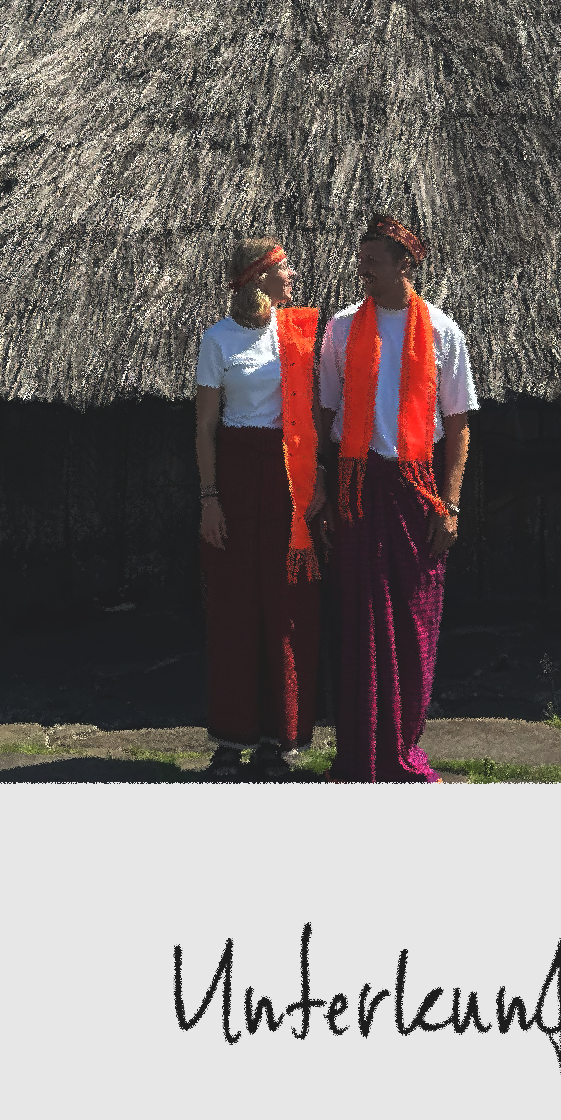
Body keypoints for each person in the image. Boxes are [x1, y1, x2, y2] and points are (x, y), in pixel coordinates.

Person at [310, 217, 477, 783]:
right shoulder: (340, 329)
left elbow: (458, 426)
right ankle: (359, 755)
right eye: (361, 261)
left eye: (372, 262)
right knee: (358, 620)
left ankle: (402, 748)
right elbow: (324, 411)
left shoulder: (444, 333)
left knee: (412, 619)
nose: (363, 271)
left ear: (404, 264)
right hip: (355, 487)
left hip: (415, 490)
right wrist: (322, 484)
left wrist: (451, 506)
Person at [193, 239, 325, 779]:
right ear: (257, 278)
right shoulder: (218, 339)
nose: (291, 275)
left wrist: (317, 478)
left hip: (289, 479)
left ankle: (279, 737)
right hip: (236, 475)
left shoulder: (299, 333)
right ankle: (231, 739)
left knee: (286, 604)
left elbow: (315, 411)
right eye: (282, 268)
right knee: (234, 604)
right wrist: (210, 499)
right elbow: (205, 426)